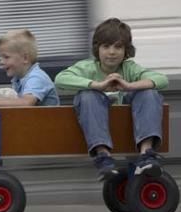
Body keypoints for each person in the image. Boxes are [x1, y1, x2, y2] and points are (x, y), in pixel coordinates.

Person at [55, 18, 168, 181]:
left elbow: (162, 79)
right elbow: (60, 79)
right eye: (106, 46)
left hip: (128, 128)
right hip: (98, 126)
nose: (112, 52)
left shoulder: (130, 68)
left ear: (126, 50)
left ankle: (147, 155)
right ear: (97, 48)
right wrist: (97, 85)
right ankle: (103, 156)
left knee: (149, 93)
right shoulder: (87, 67)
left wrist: (129, 86)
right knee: (87, 95)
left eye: (118, 46)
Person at [0, 29, 60, 111]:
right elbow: (15, 105)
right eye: (1, 57)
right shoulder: (20, 79)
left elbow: (26, 103)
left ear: (25, 58)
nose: (1, 62)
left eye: (6, 57)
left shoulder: (36, 77)